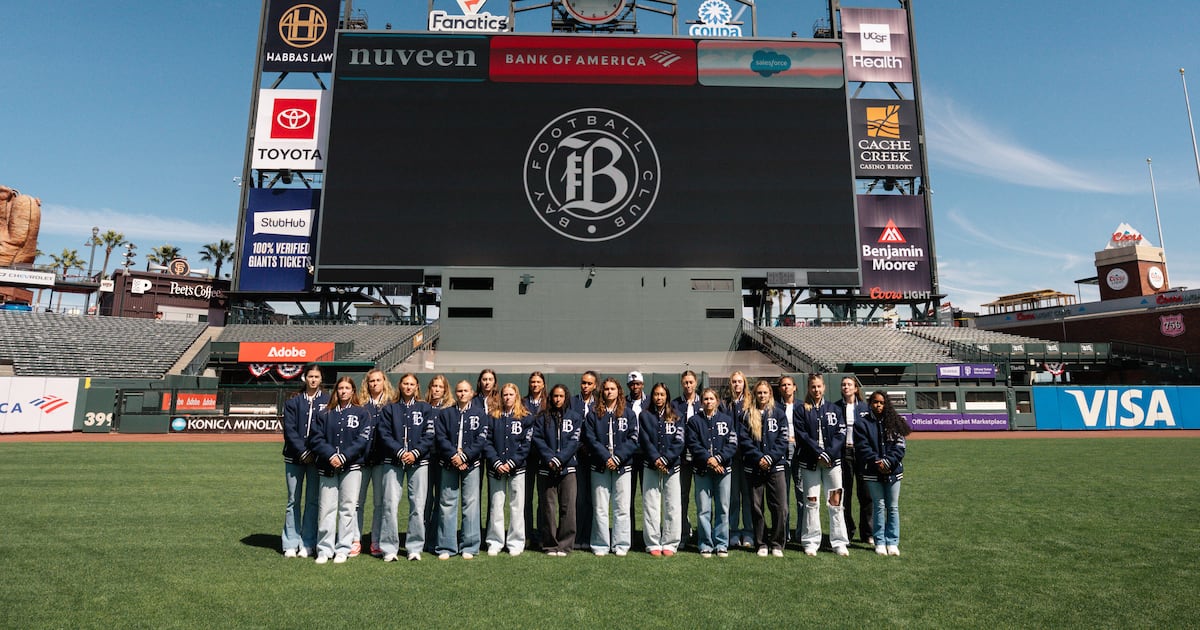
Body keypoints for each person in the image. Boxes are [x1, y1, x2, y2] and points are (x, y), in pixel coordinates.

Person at [308, 376, 375, 564]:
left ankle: (343, 548)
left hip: (352, 467)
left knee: (348, 508)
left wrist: (344, 456)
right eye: (340, 388)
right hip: (328, 466)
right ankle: (324, 548)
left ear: (353, 391)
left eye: (347, 388)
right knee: (326, 508)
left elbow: (363, 440)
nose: (344, 391)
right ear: (336, 391)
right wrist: (331, 455)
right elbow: (315, 438)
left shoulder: (362, 413)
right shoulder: (324, 413)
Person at [377, 373, 435, 562]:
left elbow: (429, 435)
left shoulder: (425, 408)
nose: (408, 387)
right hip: (393, 461)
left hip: (419, 462)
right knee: (389, 504)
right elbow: (384, 434)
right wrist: (400, 452)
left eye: (412, 384)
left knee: (417, 505)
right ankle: (389, 548)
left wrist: (415, 452)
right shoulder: (390, 408)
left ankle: (414, 547)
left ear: (417, 387)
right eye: (405, 384)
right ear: (400, 386)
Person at [794, 374, 850, 557]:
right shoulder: (801, 409)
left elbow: (841, 434)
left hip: (832, 463)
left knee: (836, 502)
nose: (816, 390)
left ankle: (839, 542)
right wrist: (819, 452)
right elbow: (802, 435)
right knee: (811, 501)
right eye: (813, 387)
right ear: (808, 388)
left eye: (819, 387)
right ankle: (811, 541)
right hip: (810, 463)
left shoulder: (834, 409)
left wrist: (829, 453)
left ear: (824, 387)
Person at [584, 378, 640, 557]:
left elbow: (633, 438)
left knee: (622, 507)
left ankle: (621, 544)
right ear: (602, 392)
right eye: (606, 389)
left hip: (622, 466)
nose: (609, 392)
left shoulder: (629, 413)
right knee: (600, 507)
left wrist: (617, 458)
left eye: (612, 389)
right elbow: (590, 439)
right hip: (600, 465)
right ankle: (600, 544)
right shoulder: (593, 413)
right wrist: (606, 457)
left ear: (619, 391)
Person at [433, 381, 489, 560]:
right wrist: (454, 456)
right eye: (459, 391)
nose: (462, 393)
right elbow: (440, 437)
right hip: (449, 463)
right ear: (455, 393)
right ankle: (446, 546)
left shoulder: (480, 414)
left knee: (470, 504)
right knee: (447, 503)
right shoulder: (446, 413)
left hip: (471, 464)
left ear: (472, 393)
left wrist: (464, 457)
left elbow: (481, 439)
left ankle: (470, 546)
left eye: (466, 390)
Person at [855, 391, 910, 556]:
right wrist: (877, 461)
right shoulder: (862, 423)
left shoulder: (896, 422)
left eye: (881, 402)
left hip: (893, 471)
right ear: (870, 403)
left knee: (892, 507)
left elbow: (900, 447)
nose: (878, 405)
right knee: (878, 506)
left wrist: (888, 462)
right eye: (875, 402)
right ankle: (879, 541)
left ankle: (893, 542)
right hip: (873, 470)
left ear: (886, 404)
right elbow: (862, 447)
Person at [281, 364, 328, 558]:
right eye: (310, 376)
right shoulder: (294, 401)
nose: (313, 380)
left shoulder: (327, 401)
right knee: (293, 500)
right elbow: (289, 430)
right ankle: (290, 542)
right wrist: (302, 451)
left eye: (317, 377)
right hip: (294, 457)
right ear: (305, 378)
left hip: (317, 459)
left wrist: (314, 451)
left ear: (320, 379)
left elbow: (327, 430)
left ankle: (308, 542)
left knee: (312, 501)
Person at [685, 387, 737, 558]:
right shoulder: (694, 421)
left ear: (717, 401)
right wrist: (709, 459)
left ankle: (721, 543)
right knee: (703, 509)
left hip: (723, 470)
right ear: (702, 401)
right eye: (705, 399)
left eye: (711, 399)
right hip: (702, 470)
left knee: (723, 507)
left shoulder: (727, 420)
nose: (708, 402)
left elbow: (732, 444)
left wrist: (719, 459)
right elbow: (693, 444)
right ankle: (705, 543)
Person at [739, 379, 789, 557]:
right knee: (756, 506)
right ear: (754, 394)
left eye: (765, 392)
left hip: (776, 467)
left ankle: (776, 543)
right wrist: (759, 458)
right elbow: (744, 441)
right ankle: (761, 543)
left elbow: (783, 440)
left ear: (770, 394)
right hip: (754, 467)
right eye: (759, 393)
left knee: (780, 507)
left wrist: (770, 457)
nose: (762, 395)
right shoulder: (746, 415)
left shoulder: (779, 414)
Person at [483, 383, 534, 556]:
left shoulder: (526, 417)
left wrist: (512, 462)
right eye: (505, 394)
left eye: (511, 394)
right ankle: (495, 541)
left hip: (517, 469)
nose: (507, 397)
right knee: (496, 505)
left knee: (517, 506)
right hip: (496, 468)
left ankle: (515, 542)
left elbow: (526, 445)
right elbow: (487, 442)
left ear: (517, 396)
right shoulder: (493, 417)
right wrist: (497, 462)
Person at [532, 384, 583, 556]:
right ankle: (550, 544)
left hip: (568, 469)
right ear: (550, 397)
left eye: (561, 396)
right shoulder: (542, 418)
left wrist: (560, 459)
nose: (558, 399)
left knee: (568, 508)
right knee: (548, 508)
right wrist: (550, 459)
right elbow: (538, 440)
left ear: (566, 397)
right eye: (555, 396)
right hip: (547, 469)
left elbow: (574, 442)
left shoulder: (575, 417)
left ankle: (565, 545)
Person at [639, 383, 685, 556]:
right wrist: (656, 459)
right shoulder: (645, 415)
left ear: (667, 396)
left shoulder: (677, 415)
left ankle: (671, 543)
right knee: (650, 504)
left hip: (672, 467)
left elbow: (679, 441)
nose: (659, 398)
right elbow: (644, 440)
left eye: (662, 394)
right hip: (651, 465)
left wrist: (666, 459)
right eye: (656, 394)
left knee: (672, 505)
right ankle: (652, 543)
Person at [356, 368, 395, 557]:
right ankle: (354, 540)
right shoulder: (360, 404)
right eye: (371, 381)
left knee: (380, 503)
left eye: (378, 380)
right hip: (361, 461)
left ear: (384, 382)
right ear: (367, 383)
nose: (374, 384)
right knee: (357, 503)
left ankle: (376, 541)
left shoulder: (390, 404)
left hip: (382, 461)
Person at [836, 376, 873, 544]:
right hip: (844, 453)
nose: (846, 387)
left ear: (856, 388)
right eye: (843, 385)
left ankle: (868, 533)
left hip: (862, 454)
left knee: (865, 495)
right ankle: (847, 531)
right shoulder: (836, 407)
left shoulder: (865, 408)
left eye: (849, 384)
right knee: (845, 494)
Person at [423, 374, 453, 553]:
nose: (436, 389)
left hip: (442, 459)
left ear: (445, 390)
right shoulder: (424, 407)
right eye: (434, 386)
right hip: (426, 459)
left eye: (440, 387)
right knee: (425, 500)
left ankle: (437, 539)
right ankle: (423, 538)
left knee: (442, 500)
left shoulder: (449, 409)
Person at [671, 370, 701, 548]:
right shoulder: (675, 404)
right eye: (685, 382)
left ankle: (702, 533)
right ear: (682, 384)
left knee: (702, 496)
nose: (688, 385)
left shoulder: (704, 402)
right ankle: (682, 532)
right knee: (682, 496)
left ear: (695, 383)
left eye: (691, 382)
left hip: (700, 457)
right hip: (681, 457)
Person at [723, 370, 753, 549]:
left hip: (748, 457)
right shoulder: (725, 404)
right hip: (731, 458)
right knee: (733, 498)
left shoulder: (750, 403)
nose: (736, 385)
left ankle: (748, 532)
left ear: (744, 383)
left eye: (739, 382)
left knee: (748, 497)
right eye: (734, 382)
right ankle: (733, 532)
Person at [571, 370, 599, 550]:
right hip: (577, 456)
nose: (585, 386)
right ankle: (578, 535)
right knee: (579, 498)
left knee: (595, 498)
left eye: (589, 383)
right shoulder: (573, 402)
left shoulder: (600, 404)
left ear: (595, 385)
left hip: (596, 455)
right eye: (583, 383)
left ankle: (591, 536)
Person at [523, 371, 548, 547]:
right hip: (525, 455)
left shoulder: (548, 402)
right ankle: (526, 534)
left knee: (543, 497)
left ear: (543, 384)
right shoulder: (522, 402)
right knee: (526, 498)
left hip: (543, 455)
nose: (535, 385)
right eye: (532, 382)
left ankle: (541, 534)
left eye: (538, 382)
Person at [777, 375, 799, 542]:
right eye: (783, 385)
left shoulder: (802, 406)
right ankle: (784, 532)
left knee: (802, 493)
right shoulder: (776, 407)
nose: (786, 388)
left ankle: (801, 531)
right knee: (783, 495)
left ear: (794, 387)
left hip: (799, 451)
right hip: (781, 451)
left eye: (789, 385)